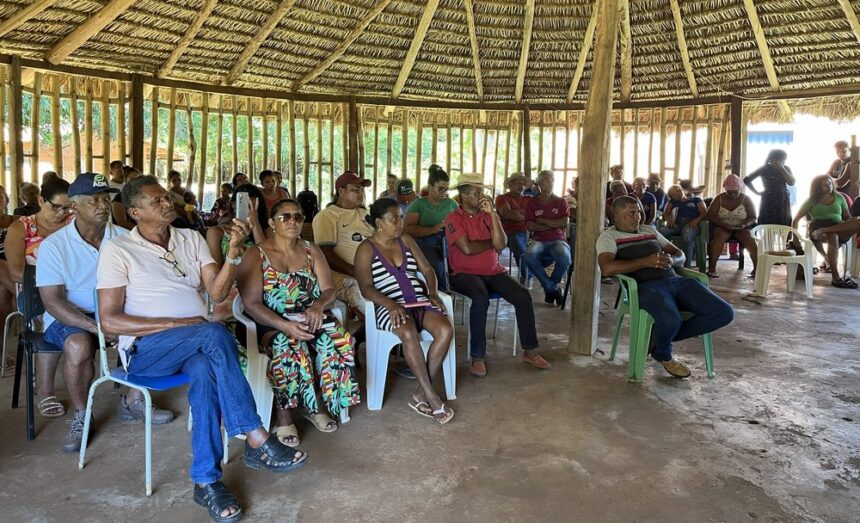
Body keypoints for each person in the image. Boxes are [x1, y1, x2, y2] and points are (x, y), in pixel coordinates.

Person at [97, 176, 308, 522]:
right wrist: (178, 324)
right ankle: (254, 435)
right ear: (135, 212)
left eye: (166, 197)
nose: (167, 203)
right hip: (147, 350)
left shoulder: (190, 238)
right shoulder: (119, 250)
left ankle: (206, 481)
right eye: (156, 201)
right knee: (213, 334)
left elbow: (218, 293)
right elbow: (110, 321)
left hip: (195, 345)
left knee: (205, 369)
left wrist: (234, 253)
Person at [36, 173, 174, 453]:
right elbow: (52, 301)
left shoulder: (126, 238)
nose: (102, 205)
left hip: (116, 311)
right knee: (77, 345)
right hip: (72, 316)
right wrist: (95, 327)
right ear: (75, 206)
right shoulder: (55, 245)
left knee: (158, 327)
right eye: (94, 200)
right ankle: (82, 414)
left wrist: (120, 321)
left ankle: (134, 399)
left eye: (105, 199)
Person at [237, 198, 359, 447]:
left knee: (340, 340)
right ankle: (285, 415)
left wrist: (317, 306)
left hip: (309, 315)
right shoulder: (256, 254)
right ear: (271, 223)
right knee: (289, 345)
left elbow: (328, 290)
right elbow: (251, 304)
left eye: (298, 216)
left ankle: (318, 404)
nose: (293, 221)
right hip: (269, 320)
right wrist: (284, 325)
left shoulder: (310, 250)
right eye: (285, 217)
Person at [597, 196, 734, 378]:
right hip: (646, 288)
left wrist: (672, 260)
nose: (638, 216)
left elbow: (679, 254)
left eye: (639, 211)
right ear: (616, 215)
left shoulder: (649, 230)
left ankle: (658, 338)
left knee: (724, 313)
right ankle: (663, 353)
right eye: (632, 213)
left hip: (676, 281)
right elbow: (607, 268)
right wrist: (646, 261)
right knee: (671, 320)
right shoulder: (609, 236)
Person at [355, 198, 454, 423]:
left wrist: (432, 293)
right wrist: (391, 304)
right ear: (379, 222)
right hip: (389, 307)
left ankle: (420, 392)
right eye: (395, 219)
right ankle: (430, 395)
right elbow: (366, 288)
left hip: (419, 302)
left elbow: (427, 270)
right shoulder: (366, 249)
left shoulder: (406, 240)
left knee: (445, 330)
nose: (401, 223)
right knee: (408, 333)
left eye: (401, 217)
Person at [444, 172, 549, 377]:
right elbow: (467, 249)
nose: (482, 195)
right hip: (463, 274)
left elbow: (502, 243)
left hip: (493, 272)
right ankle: (477, 356)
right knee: (480, 297)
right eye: (476, 192)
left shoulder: (488, 216)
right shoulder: (453, 218)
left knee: (522, 296)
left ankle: (529, 350)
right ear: (464, 195)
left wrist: (492, 214)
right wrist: (490, 243)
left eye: (482, 191)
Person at [5, 178, 72, 419]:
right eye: (57, 207)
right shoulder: (21, 228)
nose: (63, 213)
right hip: (33, 291)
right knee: (52, 314)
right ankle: (45, 390)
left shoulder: (73, 224)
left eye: (68, 207)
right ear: (41, 200)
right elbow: (15, 271)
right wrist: (51, 284)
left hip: (71, 290)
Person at [312, 171, 374, 316]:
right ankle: (376, 331)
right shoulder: (327, 216)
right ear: (341, 191)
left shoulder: (364, 214)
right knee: (363, 296)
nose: (361, 193)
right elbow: (325, 255)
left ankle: (372, 332)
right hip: (342, 275)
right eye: (355, 189)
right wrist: (357, 272)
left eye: (362, 189)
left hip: (371, 271)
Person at [792, 175, 860, 288]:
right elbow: (796, 219)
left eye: (830, 183)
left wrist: (850, 221)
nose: (829, 186)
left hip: (836, 227)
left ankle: (825, 231)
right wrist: (795, 238)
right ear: (818, 187)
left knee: (858, 221)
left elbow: (847, 217)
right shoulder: (812, 200)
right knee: (833, 236)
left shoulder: (839, 197)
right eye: (825, 185)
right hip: (817, 228)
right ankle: (836, 278)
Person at [523, 170, 571, 305]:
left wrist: (542, 220)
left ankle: (550, 289)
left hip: (558, 240)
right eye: (544, 180)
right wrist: (553, 224)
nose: (547, 183)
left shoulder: (561, 202)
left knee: (565, 257)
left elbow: (564, 223)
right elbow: (530, 226)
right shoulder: (532, 203)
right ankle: (552, 288)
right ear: (537, 183)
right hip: (539, 240)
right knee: (529, 256)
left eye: (550, 180)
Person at [405, 167, 457, 291]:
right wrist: (434, 229)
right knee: (438, 266)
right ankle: (441, 294)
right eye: (440, 189)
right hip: (425, 242)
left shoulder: (452, 204)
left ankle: (459, 290)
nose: (444, 192)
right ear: (430, 187)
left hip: (448, 241)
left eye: (446, 189)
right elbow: (408, 230)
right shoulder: (418, 204)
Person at [705, 174, 758, 278]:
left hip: (741, 228)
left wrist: (744, 225)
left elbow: (753, 217)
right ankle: (712, 269)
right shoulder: (719, 198)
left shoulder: (746, 199)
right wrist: (723, 224)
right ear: (725, 189)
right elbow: (710, 215)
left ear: (740, 189)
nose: (732, 195)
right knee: (718, 237)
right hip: (723, 226)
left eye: (735, 192)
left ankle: (757, 269)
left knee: (749, 238)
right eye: (729, 192)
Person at [206, 184, 268, 268]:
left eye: (253, 208)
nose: (250, 211)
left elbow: (266, 261)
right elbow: (215, 271)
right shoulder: (216, 233)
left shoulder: (267, 229)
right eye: (246, 206)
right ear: (233, 205)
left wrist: (255, 222)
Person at [659, 184, 707, 268]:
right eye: (674, 194)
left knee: (687, 234)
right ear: (672, 197)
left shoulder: (696, 200)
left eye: (678, 190)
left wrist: (696, 220)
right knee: (659, 233)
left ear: (682, 189)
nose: (677, 193)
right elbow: (665, 213)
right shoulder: (672, 202)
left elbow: (704, 213)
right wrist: (669, 220)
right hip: (676, 225)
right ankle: (662, 261)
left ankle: (686, 266)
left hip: (692, 225)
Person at [743, 149, 795, 226]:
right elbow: (747, 180)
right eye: (782, 159)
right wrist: (756, 192)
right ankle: (767, 238)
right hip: (768, 198)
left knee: (783, 223)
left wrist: (781, 168)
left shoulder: (786, 168)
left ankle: (785, 238)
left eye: (784, 159)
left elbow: (791, 182)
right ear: (773, 158)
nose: (783, 161)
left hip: (783, 199)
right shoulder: (764, 168)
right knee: (767, 224)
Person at [495, 173, 530, 275]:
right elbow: (509, 214)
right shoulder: (502, 198)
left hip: (532, 232)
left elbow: (536, 215)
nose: (521, 186)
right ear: (510, 185)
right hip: (511, 233)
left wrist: (518, 212)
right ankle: (528, 275)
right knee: (517, 239)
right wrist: (527, 214)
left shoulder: (528, 199)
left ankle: (533, 271)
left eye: (523, 184)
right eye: (518, 183)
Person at [0, 186, 18, 370]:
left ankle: (1, 352)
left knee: (2, 292)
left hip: (18, 266)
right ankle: (24, 297)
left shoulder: (18, 222)